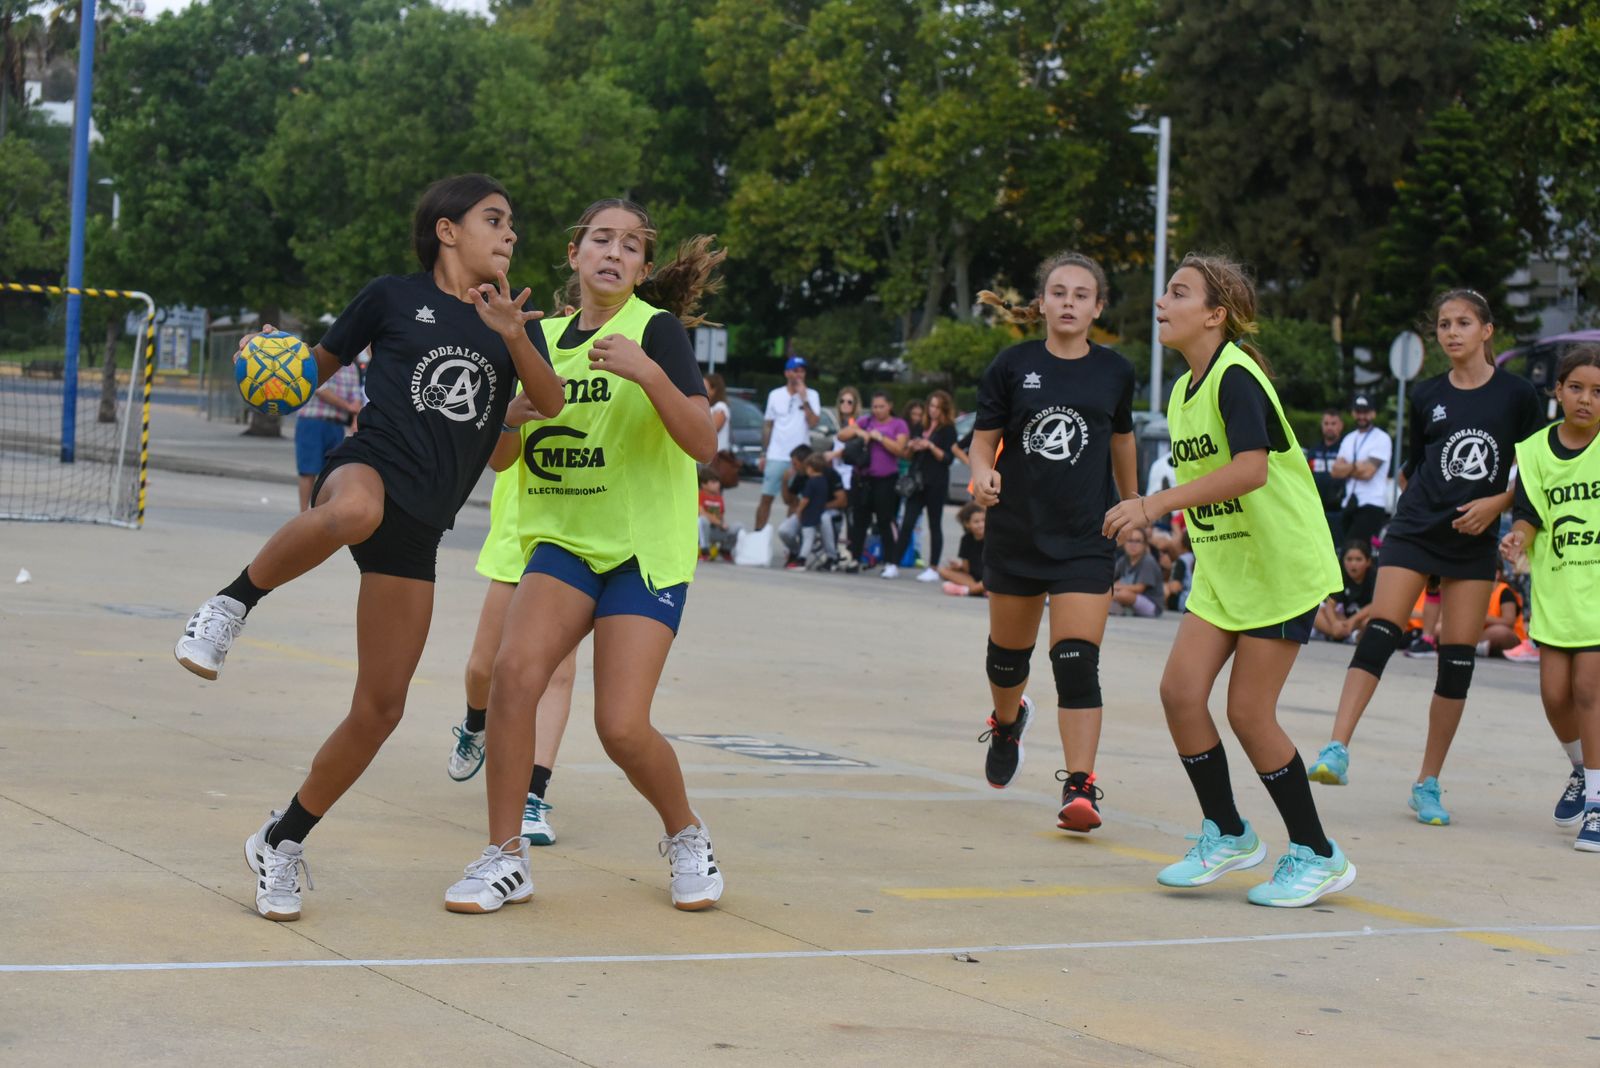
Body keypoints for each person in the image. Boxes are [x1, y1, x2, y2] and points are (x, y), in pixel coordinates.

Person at [171, 174, 567, 921]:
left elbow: (538, 417)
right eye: (495, 219)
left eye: (513, 223)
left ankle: (281, 841)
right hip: (369, 466)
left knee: (381, 708)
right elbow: (306, 375)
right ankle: (228, 605)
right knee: (352, 509)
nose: (510, 233)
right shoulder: (391, 296)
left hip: (422, 523)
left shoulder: (516, 323)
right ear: (448, 231)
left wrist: (515, 341)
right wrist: (269, 369)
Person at [444, 197, 726, 915]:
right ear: (573, 254)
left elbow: (703, 444)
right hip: (565, 542)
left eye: (631, 246)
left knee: (621, 727)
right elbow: (506, 459)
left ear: (642, 268)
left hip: (641, 552)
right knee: (512, 676)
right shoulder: (538, 338)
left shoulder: (654, 332)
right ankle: (504, 857)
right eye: (601, 239)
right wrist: (503, 415)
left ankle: (687, 834)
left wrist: (648, 374)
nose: (614, 252)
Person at [1104, 252, 1353, 908]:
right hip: (1225, 566)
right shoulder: (1184, 391)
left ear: (1214, 314)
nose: (1163, 301)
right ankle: (1230, 831)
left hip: (1278, 564)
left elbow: (1251, 471)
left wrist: (1157, 505)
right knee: (1181, 693)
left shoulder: (1236, 377)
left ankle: (1318, 852)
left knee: (1248, 711)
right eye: (1164, 291)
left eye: (1179, 292)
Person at [1306, 289, 1544, 826]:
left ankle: (1427, 783)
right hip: (1415, 529)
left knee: (1456, 660)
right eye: (1443, 324)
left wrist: (1499, 505)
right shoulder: (1425, 394)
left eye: (1463, 323)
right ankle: (1336, 748)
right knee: (1384, 629)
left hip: (1473, 539)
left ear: (1487, 330)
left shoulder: (1518, 396)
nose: (1452, 332)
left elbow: (1537, 469)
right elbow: (1416, 461)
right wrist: (1419, 501)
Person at [969, 253, 1138, 833]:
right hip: (1017, 532)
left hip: (1084, 538)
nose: (1069, 302)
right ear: (1040, 303)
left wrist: (1134, 503)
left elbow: (1122, 439)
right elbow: (982, 440)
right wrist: (981, 474)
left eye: (1081, 294)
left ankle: (1081, 787)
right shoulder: (1012, 365)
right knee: (1006, 658)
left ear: (1098, 307)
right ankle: (1007, 721)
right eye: (1058, 292)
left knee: (1075, 660)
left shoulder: (1114, 371)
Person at [450, 452, 579, 849]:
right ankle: (476, 724)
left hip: (576, 532)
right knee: (482, 668)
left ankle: (533, 796)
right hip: (518, 531)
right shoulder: (519, 388)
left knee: (556, 673)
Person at [1501, 344, 1600, 850]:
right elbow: (1529, 512)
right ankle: (1582, 770)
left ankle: (1599, 806)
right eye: (1577, 388)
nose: (1587, 399)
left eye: (1599, 391)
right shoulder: (1536, 450)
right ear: (1557, 391)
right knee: (1554, 695)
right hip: (1558, 589)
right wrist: (1519, 536)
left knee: (1589, 690)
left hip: (1597, 594)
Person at [837, 392, 908, 573]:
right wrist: (860, 431)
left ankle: (891, 561)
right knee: (859, 520)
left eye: (881, 407)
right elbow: (842, 435)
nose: (877, 410)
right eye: (874, 407)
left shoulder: (898, 424)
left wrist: (881, 438)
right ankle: (855, 557)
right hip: (862, 478)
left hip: (885, 479)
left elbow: (901, 449)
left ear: (889, 406)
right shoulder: (866, 421)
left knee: (884, 520)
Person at [897, 389, 960, 582]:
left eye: (937, 407)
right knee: (907, 522)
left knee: (935, 524)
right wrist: (911, 446)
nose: (933, 410)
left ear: (944, 410)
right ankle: (893, 562)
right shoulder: (920, 426)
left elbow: (948, 458)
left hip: (936, 482)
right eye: (931, 406)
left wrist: (930, 446)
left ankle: (933, 566)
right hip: (917, 481)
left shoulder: (948, 429)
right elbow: (907, 455)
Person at [756, 356, 821, 531]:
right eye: (795, 370)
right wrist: (764, 453)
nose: (800, 374)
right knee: (766, 497)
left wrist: (804, 398)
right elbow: (768, 425)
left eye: (802, 370)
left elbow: (814, 422)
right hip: (777, 454)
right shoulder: (775, 395)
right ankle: (757, 535)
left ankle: (790, 540)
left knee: (795, 500)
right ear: (787, 373)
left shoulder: (812, 395)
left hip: (801, 457)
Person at [293, 361, 364, 511]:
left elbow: (356, 395)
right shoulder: (320, 360)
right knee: (308, 470)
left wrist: (355, 413)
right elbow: (320, 389)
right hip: (313, 420)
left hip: (337, 424)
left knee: (330, 474)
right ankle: (303, 513)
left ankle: (320, 513)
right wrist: (348, 407)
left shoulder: (351, 367)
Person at [1331, 395, 1393, 550]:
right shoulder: (1348, 439)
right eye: (1358, 412)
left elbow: (1368, 473)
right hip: (1349, 503)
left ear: (1373, 414)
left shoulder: (1381, 438)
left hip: (1371, 504)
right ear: (1353, 413)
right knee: (1345, 551)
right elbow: (1335, 471)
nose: (1361, 416)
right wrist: (1356, 466)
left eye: (1366, 412)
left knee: (1356, 550)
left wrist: (1347, 468)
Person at [1314, 540, 1376, 643]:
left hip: (1361, 620)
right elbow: (1330, 604)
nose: (1353, 564)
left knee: (1370, 622)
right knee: (1317, 613)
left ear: (1368, 562)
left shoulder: (1374, 577)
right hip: (1344, 620)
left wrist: (1353, 621)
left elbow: (1376, 604)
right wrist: (1334, 623)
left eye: (1358, 559)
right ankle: (1343, 634)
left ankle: (1348, 635)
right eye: (1349, 559)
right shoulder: (1341, 577)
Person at [796, 451, 846, 568]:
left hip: (810, 513)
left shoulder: (811, 482)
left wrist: (799, 510)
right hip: (818, 511)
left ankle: (802, 558)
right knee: (810, 534)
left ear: (811, 469)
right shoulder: (823, 481)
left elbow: (805, 499)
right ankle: (830, 555)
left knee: (808, 535)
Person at [1305, 407, 1346, 545]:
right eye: (1326, 423)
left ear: (1341, 426)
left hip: (1339, 510)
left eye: (1333, 423)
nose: (1329, 427)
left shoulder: (1345, 448)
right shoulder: (1314, 450)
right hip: (1317, 509)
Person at [1111, 528, 1164, 617]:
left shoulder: (1148, 561)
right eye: (1130, 541)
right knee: (1110, 593)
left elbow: (1139, 588)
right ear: (1124, 543)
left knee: (1123, 594)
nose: (1133, 545)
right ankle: (1123, 609)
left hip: (1151, 605)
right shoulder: (1123, 560)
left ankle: (1123, 609)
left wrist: (1117, 587)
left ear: (1145, 545)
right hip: (1130, 599)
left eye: (1138, 541)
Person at [939, 502, 987, 596]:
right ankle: (975, 589)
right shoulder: (966, 539)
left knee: (991, 582)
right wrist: (958, 567)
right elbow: (966, 569)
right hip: (972, 578)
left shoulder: (991, 539)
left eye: (983, 520)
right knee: (943, 570)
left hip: (988, 578)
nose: (981, 524)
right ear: (967, 524)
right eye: (976, 522)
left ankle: (970, 590)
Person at [698, 468, 739, 560]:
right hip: (700, 533)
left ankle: (725, 550)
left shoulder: (719, 498)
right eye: (713, 482)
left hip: (715, 530)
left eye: (718, 482)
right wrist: (719, 523)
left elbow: (721, 516)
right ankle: (704, 549)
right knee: (702, 521)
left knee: (737, 527)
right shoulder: (699, 495)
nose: (717, 485)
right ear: (704, 484)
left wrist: (722, 524)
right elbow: (702, 514)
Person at [1163, 525, 1194, 612]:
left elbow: (1175, 587)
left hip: (1186, 601)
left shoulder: (1182, 560)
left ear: (1182, 543)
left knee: (1164, 588)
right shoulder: (1203, 557)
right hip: (1204, 598)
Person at [705, 372, 731, 454]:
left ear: (714, 389)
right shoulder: (711, 407)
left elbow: (711, 430)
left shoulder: (720, 407)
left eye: (704, 386)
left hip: (717, 458)